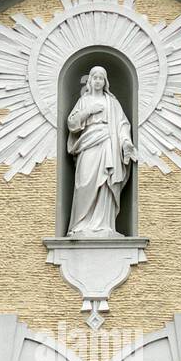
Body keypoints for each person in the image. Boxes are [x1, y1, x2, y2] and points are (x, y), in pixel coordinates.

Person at [66, 65, 135, 234]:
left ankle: (103, 224)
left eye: (101, 78)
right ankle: (80, 225)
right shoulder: (84, 101)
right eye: (95, 77)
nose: (98, 81)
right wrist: (89, 111)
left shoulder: (112, 102)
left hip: (107, 143)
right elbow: (72, 123)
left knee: (105, 181)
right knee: (84, 182)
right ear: (90, 80)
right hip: (88, 143)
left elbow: (122, 124)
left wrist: (126, 142)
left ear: (105, 82)